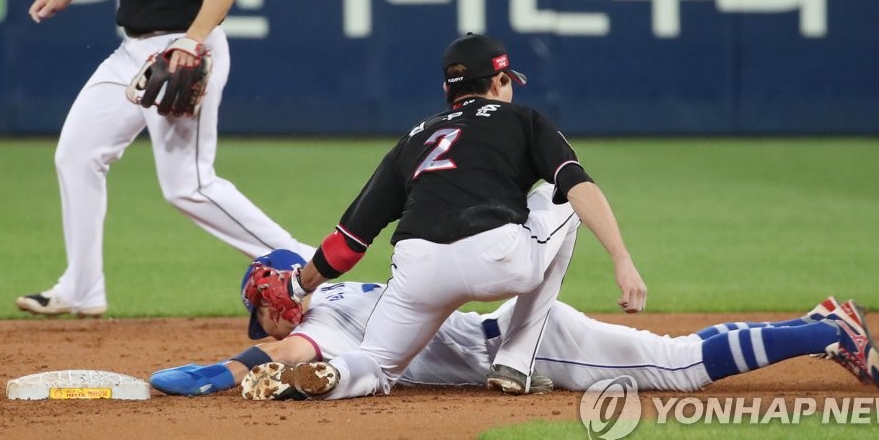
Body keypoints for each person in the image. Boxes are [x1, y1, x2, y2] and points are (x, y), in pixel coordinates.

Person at [249, 33, 647, 398]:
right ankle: (516, 360)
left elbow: (349, 243)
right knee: (560, 195)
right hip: (499, 259)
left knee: (376, 362)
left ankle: (334, 376)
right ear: (499, 81)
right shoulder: (525, 120)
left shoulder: (414, 138)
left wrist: (300, 286)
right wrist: (622, 259)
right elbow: (579, 187)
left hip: (418, 267)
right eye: (508, 80)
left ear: (447, 90)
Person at [148, 248, 879, 398]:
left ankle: (829, 332)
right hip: (509, 332)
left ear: (278, 303)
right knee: (670, 354)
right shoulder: (340, 300)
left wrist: (222, 373)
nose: (260, 319)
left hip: (524, 347)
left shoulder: (327, 323)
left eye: (260, 308)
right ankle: (816, 322)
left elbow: (283, 358)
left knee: (677, 368)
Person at [16, 0, 314, 317]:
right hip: (131, 52)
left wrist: (194, 38)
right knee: (77, 156)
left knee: (189, 184)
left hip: (185, 49)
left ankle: (306, 262)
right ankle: (82, 288)